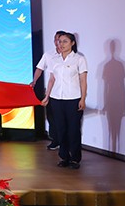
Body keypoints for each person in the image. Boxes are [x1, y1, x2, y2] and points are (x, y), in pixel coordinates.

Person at [42, 32, 88, 170]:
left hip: (73, 99)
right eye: (60, 41)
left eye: (65, 41)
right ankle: (64, 157)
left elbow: (83, 81)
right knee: (60, 129)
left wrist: (83, 99)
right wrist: (47, 96)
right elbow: (52, 79)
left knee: (73, 129)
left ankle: (75, 158)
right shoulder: (55, 60)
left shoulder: (79, 59)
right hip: (57, 99)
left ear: (72, 43)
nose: (61, 44)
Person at [31, 30, 67, 150]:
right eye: (56, 39)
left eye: (60, 40)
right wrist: (34, 81)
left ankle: (65, 141)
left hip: (67, 92)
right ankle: (55, 140)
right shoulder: (49, 55)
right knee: (51, 117)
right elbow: (39, 68)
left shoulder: (70, 55)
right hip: (52, 91)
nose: (58, 42)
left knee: (64, 118)